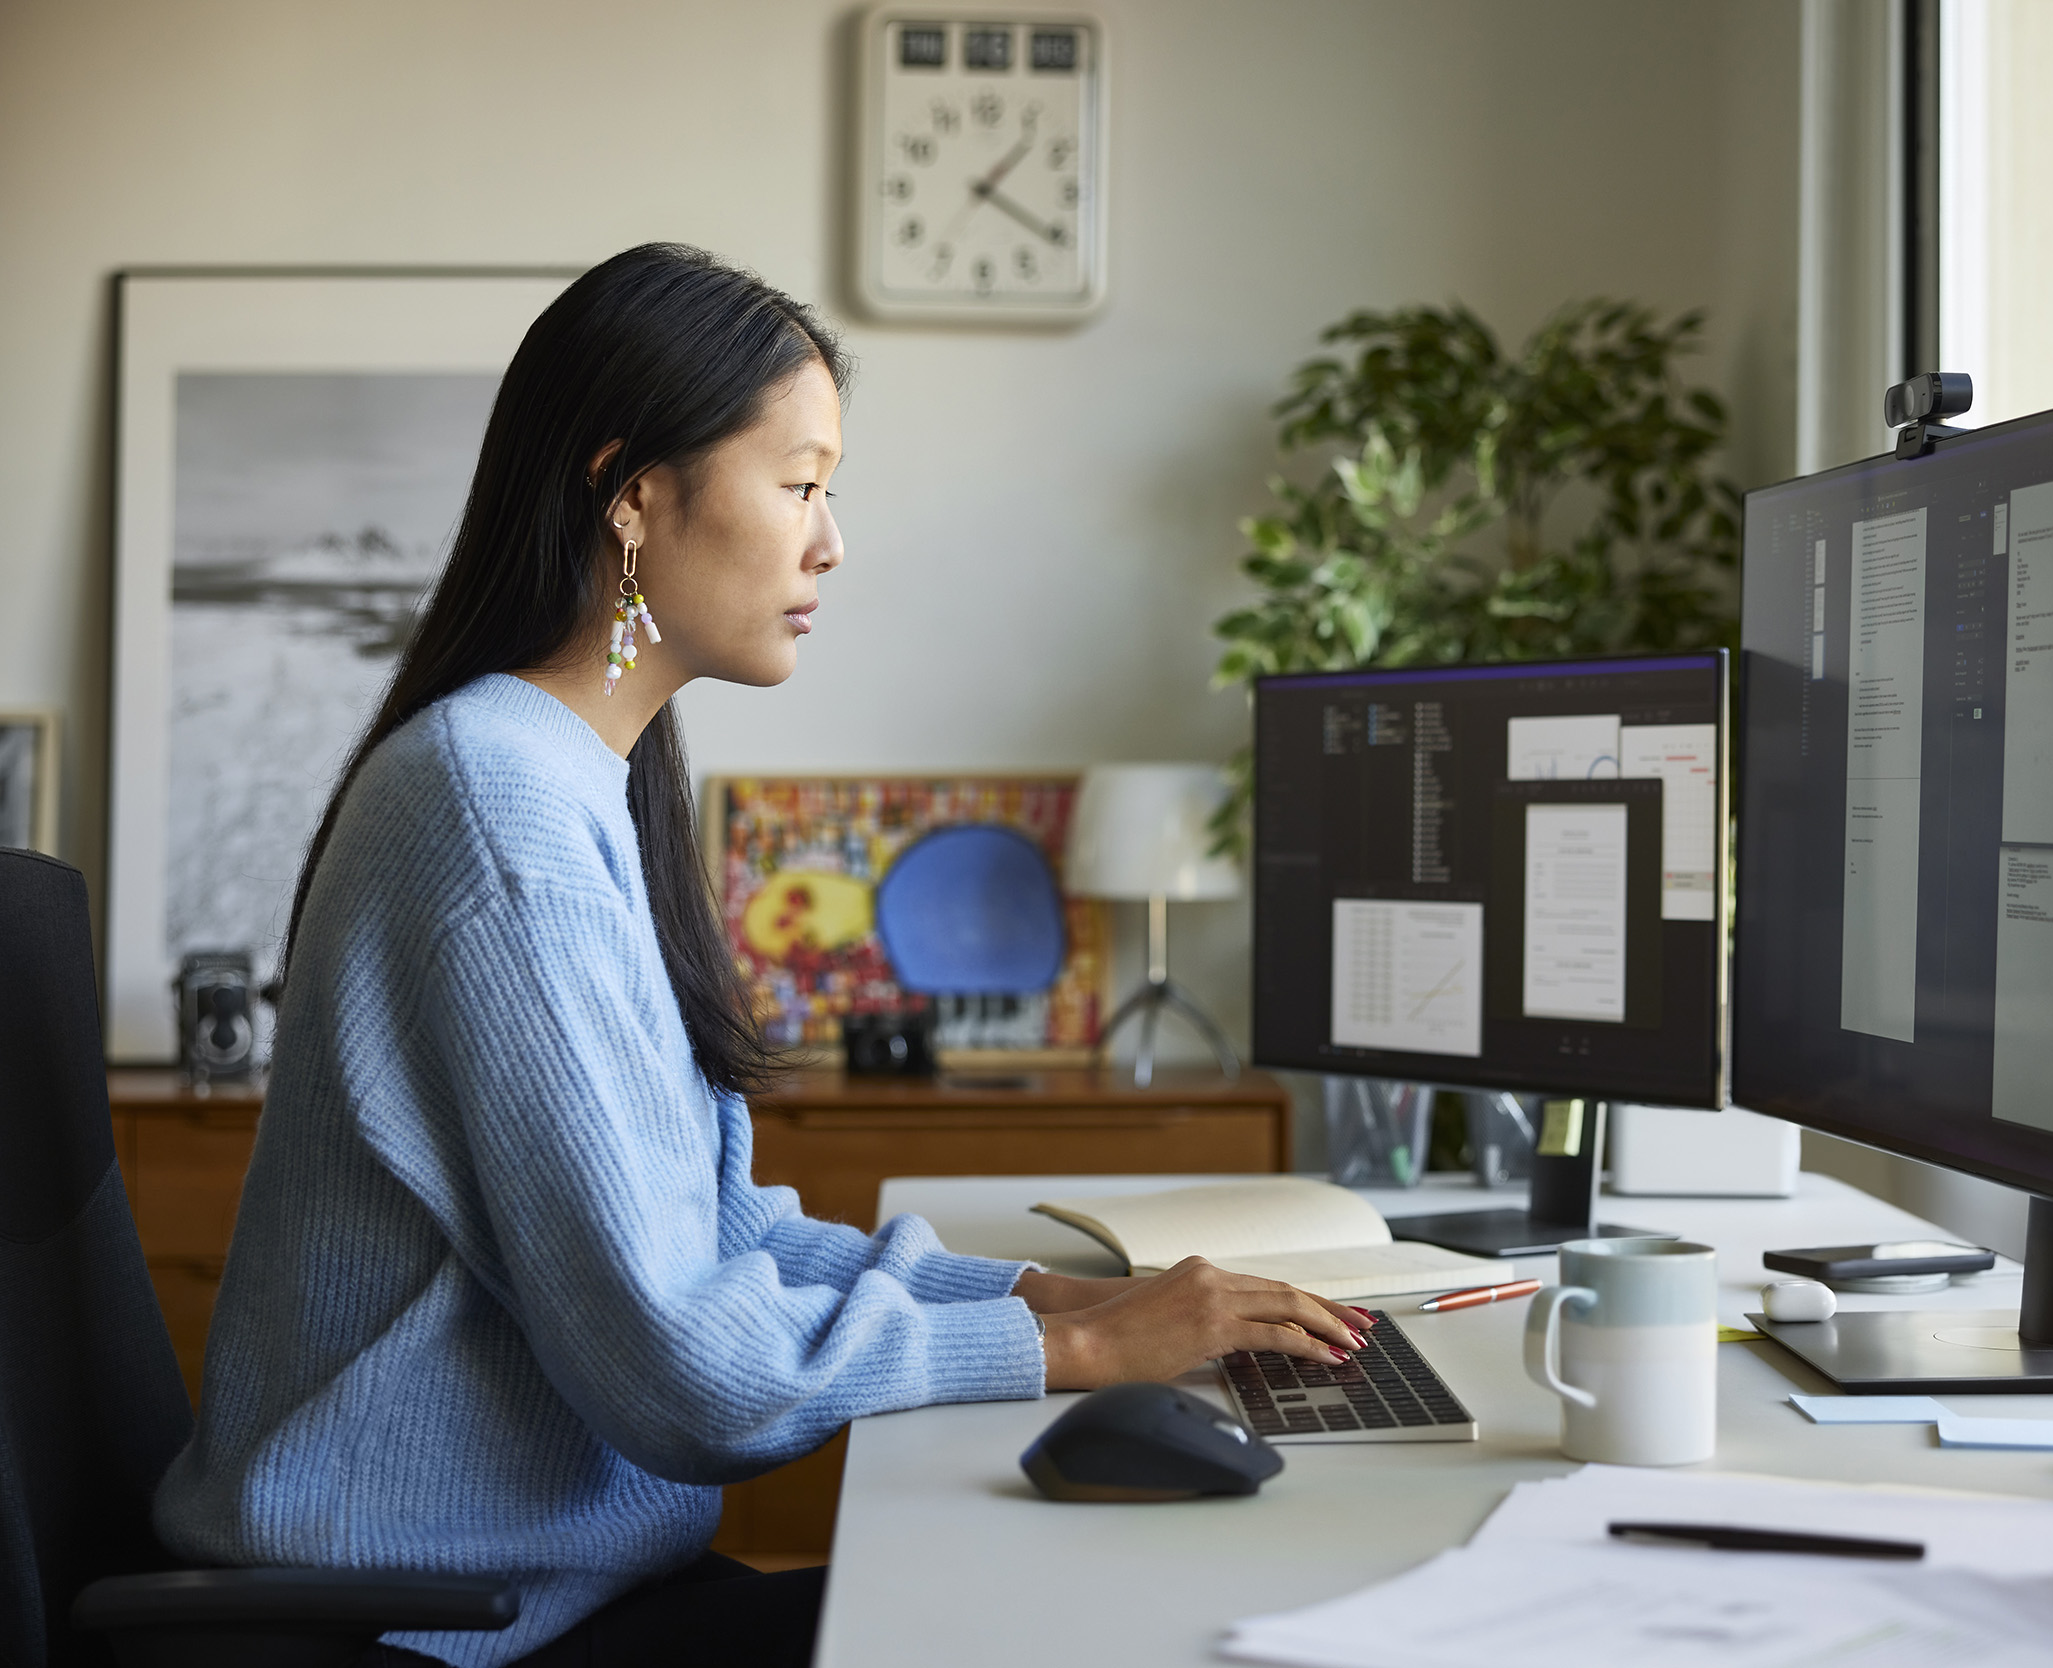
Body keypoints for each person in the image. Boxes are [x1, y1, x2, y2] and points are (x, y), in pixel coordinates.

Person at [152, 244, 1373, 1668]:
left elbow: (720, 1237)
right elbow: (685, 1373)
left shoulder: (566, 782)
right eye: (800, 484)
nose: (830, 541)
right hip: (428, 1632)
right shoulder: (494, 810)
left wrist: (1052, 1298)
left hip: (540, 1595)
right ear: (634, 494)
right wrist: (1084, 1354)